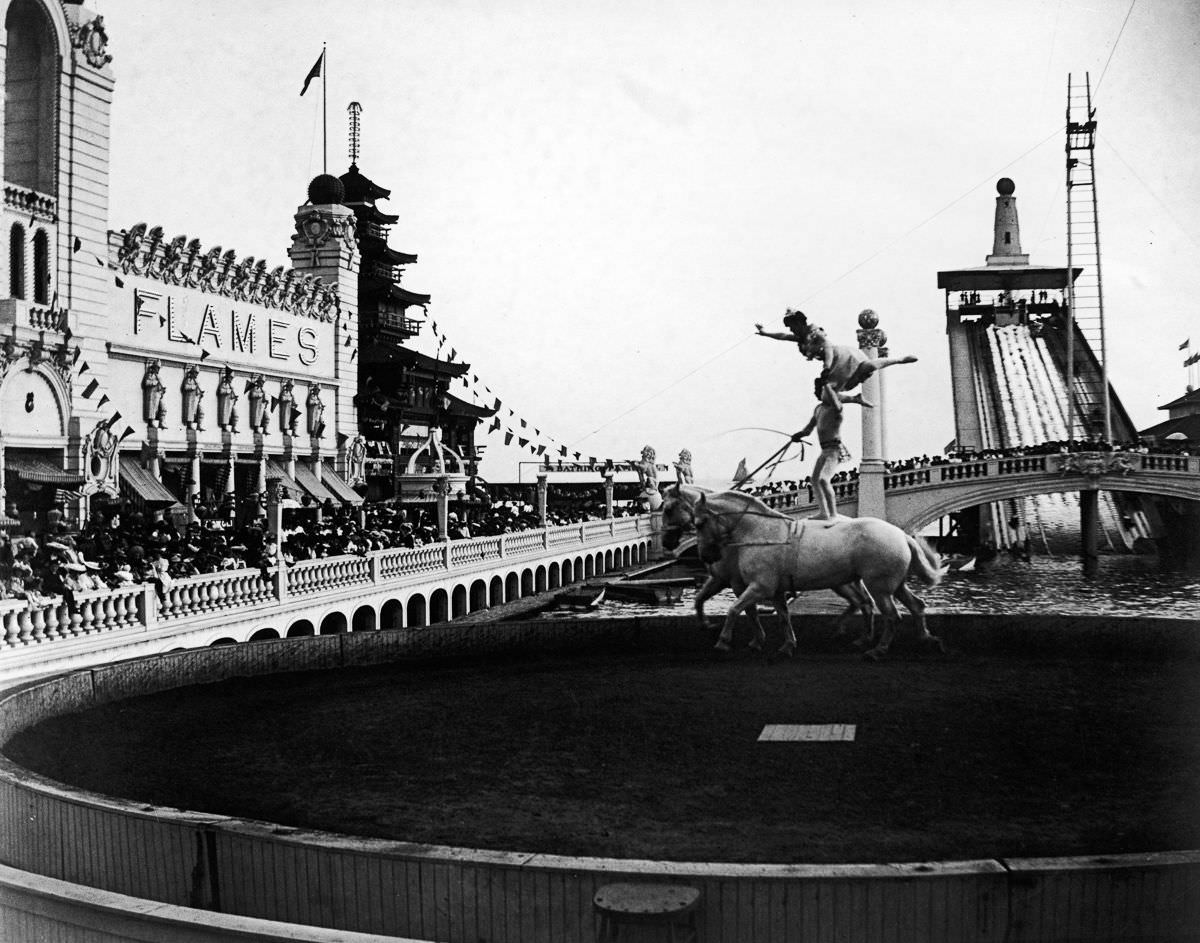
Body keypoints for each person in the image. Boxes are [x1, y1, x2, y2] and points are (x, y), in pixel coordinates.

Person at [755, 309, 917, 402]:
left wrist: (827, 367)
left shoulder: (815, 332)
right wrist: (764, 333)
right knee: (827, 394)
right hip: (832, 362)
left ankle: (898, 360)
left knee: (865, 367)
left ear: (799, 324)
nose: (791, 330)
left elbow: (827, 347)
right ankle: (856, 399)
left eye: (792, 326)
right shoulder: (801, 336)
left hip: (838, 357)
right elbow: (782, 336)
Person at [793, 376, 863, 521]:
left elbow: (837, 404)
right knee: (814, 480)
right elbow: (808, 430)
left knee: (824, 480)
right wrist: (798, 435)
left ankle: (833, 515)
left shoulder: (836, 408)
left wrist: (828, 387)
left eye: (819, 390)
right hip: (824, 451)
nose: (816, 393)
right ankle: (824, 512)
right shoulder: (818, 409)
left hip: (834, 449)